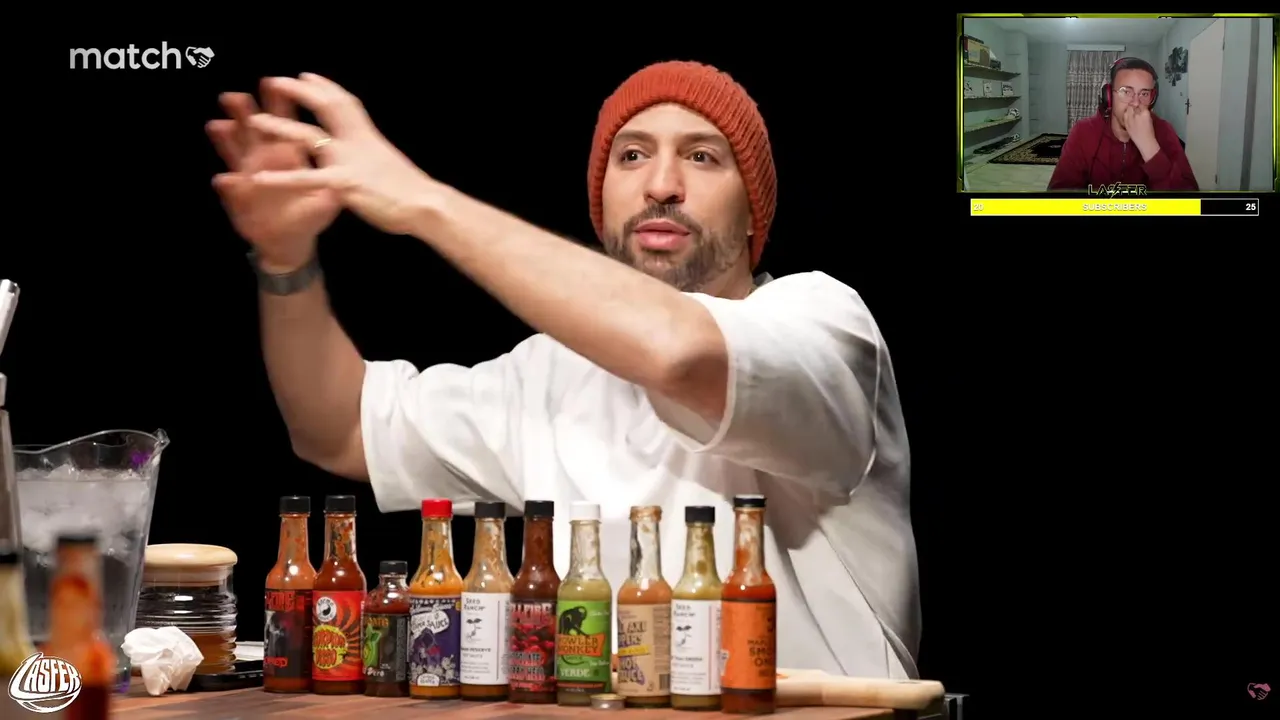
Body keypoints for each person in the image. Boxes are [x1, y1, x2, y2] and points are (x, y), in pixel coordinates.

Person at [206, 61, 920, 678]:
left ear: (754, 210)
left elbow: (681, 353)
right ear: (600, 198)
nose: (662, 184)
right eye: (632, 156)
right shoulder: (552, 372)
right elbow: (337, 428)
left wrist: (422, 201)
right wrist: (285, 260)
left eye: (703, 157)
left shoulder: (821, 321)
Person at [1048, 57, 1198, 191]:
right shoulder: (1083, 131)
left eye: (1144, 93)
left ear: (1152, 98)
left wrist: (1150, 148)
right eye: (1126, 91)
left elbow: (1190, 203)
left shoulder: (1164, 130)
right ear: (1108, 96)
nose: (1135, 103)